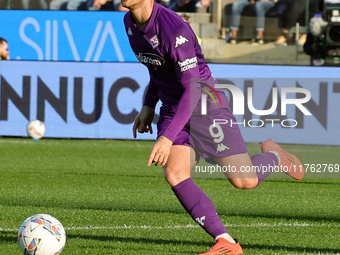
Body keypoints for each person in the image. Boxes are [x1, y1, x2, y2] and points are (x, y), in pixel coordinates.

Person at [118, 0, 305, 254]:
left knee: (245, 181)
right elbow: (156, 68)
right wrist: (148, 105)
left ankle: (274, 156)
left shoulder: (174, 29)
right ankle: (225, 240)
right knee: (175, 174)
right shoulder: (129, 23)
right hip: (175, 108)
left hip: (206, 106)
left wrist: (167, 137)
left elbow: (193, 87)